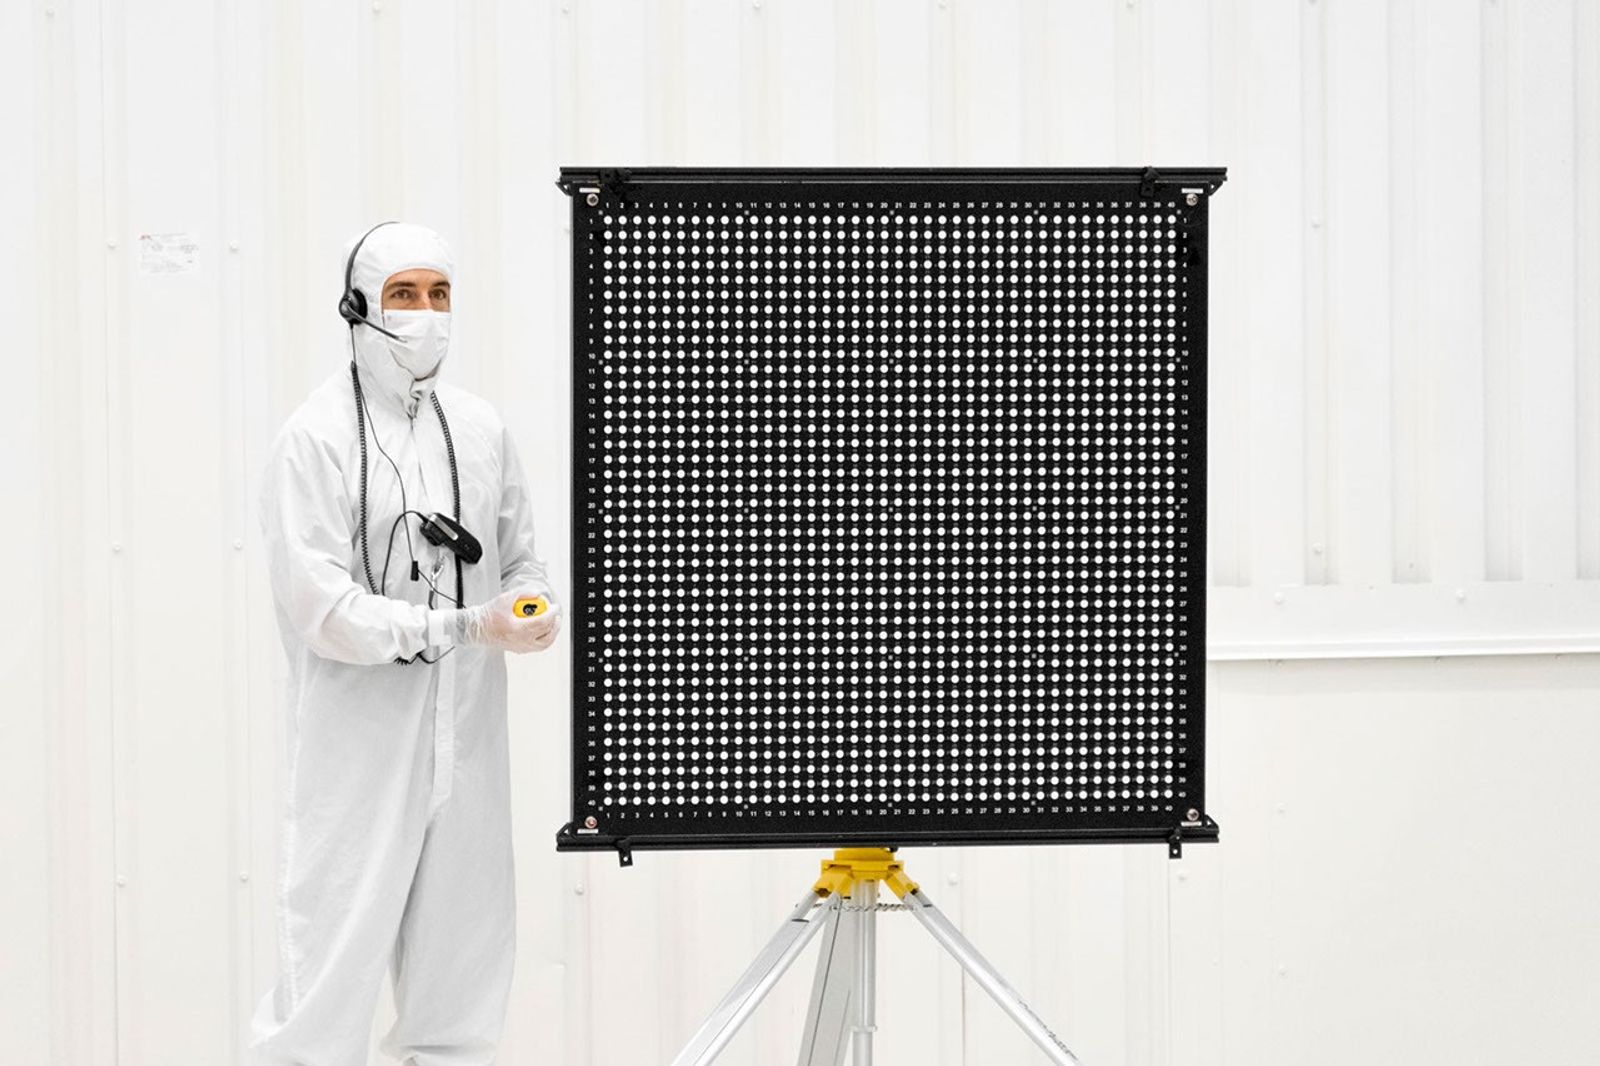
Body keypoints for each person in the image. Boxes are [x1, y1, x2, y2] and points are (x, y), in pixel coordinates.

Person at [249, 221, 559, 1065]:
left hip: (468, 746)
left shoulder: (481, 427)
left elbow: (520, 554)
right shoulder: (314, 439)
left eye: (440, 294)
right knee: (327, 977)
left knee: (461, 985)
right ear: (358, 307)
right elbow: (322, 609)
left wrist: (533, 602)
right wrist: (461, 625)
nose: (425, 315)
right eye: (404, 295)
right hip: (360, 748)